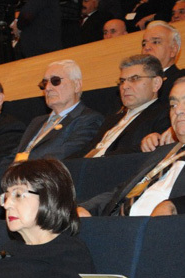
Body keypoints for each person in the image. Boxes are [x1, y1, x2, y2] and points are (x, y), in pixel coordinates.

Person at [79, 78, 185, 217]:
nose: (178, 110)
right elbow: (122, 191)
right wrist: (87, 208)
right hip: (117, 225)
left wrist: (174, 206)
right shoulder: (163, 153)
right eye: (173, 104)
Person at [15, 60, 103, 161]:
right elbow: (13, 155)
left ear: (77, 85)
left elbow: (65, 153)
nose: (47, 88)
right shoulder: (36, 122)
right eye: (44, 83)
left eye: (55, 81)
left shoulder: (89, 119)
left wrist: (22, 160)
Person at [82, 54, 168, 157]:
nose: (125, 86)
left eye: (134, 79)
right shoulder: (112, 119)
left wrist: (99, 161)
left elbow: (147, 153)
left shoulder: (165, 115)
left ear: (156, 83)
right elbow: (86, 150)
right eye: (122, 81)